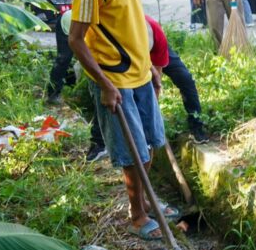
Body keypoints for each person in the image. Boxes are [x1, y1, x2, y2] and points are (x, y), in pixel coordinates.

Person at [68, 0, 167, 241]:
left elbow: (131, 21)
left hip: (140, 74)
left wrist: (150, 65)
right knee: (132, 154)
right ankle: (137, 215)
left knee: (150, 146)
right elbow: (76, 40)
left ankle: (146, 202)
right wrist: (105, 85)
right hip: (114, 80)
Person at [86, 14, 209, 162]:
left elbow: (155, 83)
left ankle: (196, 126)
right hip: (126, 57)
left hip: (148, 51)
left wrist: (151, 115)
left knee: (185, 79)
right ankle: (99, 143)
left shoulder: (156, 37)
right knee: (111, 96)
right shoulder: (120, 38)